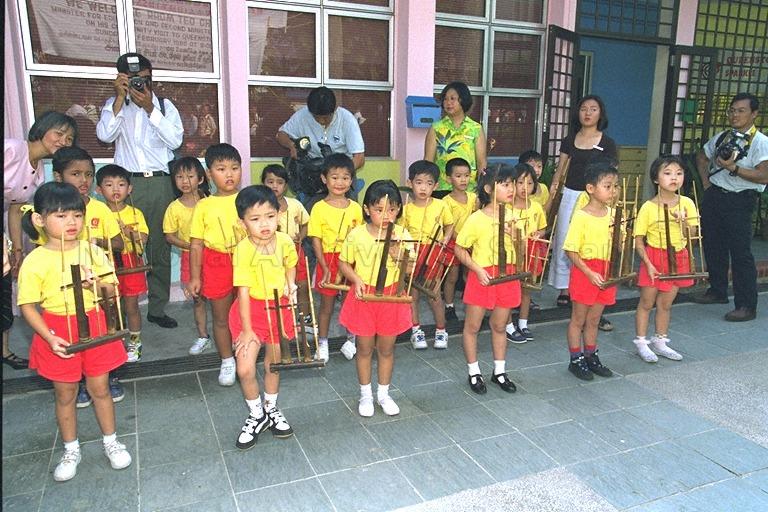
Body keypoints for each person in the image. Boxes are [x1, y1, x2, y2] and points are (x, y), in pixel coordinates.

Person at [18, 182, 132, 482]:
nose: (71, 222)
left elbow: (112, 292)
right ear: (40, 220)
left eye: (77, 215)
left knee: (100, 389)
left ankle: (111, 441)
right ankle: (71, 448)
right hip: (56, 329)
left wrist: (93, 282)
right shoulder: (35, 260)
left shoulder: (92, 252)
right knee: (65, 393)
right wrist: (48, 336)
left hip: (94, 323)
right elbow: (28, 305)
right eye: (61, 216)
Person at [96, 52, 184, 329]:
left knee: (158, 246)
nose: (139, 84)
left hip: (159, 183)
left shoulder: (165, 106)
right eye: (132, 79)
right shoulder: (113, 105)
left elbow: (175, 139)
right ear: (120, 78)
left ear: (151, 77)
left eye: (143, 79)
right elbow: (104, 135)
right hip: (125, 186)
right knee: (122, 247)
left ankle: (157, 308)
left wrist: (150, 110)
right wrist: (120, 100)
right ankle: (122, 307)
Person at [48, 147, 125, 406]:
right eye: (76, 174)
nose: (84, 180)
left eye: (88, 175)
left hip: (99, 284)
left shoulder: (101, 209)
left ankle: (109, 376)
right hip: (65, 288)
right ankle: (79, 382)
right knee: (74, 331)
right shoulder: (49, 209)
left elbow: (119, 244)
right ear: (58, 177)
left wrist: (98, 243)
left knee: (104, 329)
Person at [4, 111, 78, 370]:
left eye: (68, 139)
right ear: (42, 129)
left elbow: (15, 209)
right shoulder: (12, 149)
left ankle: (5, 351)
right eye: (58, 133)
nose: (62, 141)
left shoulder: (39, 172)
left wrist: (18, 250)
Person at [228, 185, 296, 449]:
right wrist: (246, 330)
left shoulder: (286, 241)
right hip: (251, 311)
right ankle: (256, 414)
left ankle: (270, 408)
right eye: (255, 219)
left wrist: (290, 283)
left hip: (279, 308)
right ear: (242, 222)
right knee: (244, 368)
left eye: (269, 216)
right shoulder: (243, 250)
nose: (264, 224)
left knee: (274, 364)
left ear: (278, 214)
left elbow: (290, 264)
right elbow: (242, 292)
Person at [338, 180, 413, 417]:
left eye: (392, 209)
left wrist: (397, 253)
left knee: (387, 349)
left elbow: (410, 269)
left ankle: (383, 393)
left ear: (399, 210)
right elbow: (343, 262)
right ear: (367, 209)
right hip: (365, 296)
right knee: (364, 348)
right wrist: (356, 279)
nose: (386, 215)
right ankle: (365, 395)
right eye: (379, 209)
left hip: (391, 295)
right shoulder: (357, 234)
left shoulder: (402, 234)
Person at [693, 92, 768, 322]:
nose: (735, 114)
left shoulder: (761, 142)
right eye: (732, 110)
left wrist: (734, 168)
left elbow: (764, 175)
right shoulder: (723, 136)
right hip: (716, 195)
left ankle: (746, 305)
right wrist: (706, 183)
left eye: (741, 110)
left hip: (740, 199)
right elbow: (702, 157)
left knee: (740, 253)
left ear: (754, 113)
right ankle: (717, 290)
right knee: (713, 245)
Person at [454, 165, 521, 395]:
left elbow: (524, 249)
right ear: (488, 188)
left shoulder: (513, 215)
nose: (511, 188)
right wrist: (477, 269)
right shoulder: (476, 219)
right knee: (472, 326)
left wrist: (516, 237)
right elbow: (460, 248)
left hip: (507, 274)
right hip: (482, 275)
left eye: (512, 183)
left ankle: (499, 371)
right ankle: (474, 372)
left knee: (500, 325)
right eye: (505, 184)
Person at [547, 96, 618, 312]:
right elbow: (560, 171)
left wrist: (612, 198)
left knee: (593, 241)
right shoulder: (570, 139)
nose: (587, 113)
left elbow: (612, 175)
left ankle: (592, 282)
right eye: (583, 108)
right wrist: (551, 196)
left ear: (600, 114)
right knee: (566, 240)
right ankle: (564, 289)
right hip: (571, 194)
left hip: (596, 197)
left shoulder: (607, 143)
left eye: (593, 109)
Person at [188, 144, 245, 386]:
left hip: (246, 261)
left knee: (245, 314)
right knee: (220, 317)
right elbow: (196, 245)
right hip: (216, 263)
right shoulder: (203, 206)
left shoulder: (248, 199)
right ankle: (227, 360)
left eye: (234, 168)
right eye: (221, 169)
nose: (229, 174)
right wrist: (195, 277)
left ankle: (244, 355)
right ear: (209, 174)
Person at [632, 156, 695, 362]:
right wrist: (648, 263)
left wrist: (684, 222)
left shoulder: (687, 203)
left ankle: (660, 340)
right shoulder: (648, 207)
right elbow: (638, 240)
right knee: (647, 302)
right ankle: (642, 342)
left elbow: (692, 235)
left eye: (679, 173)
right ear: (656, 179)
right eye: (667, 173)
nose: (674, 178)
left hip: (678, 255)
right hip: (655, 255)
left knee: (666, 303)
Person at [562, 160, 620, 381]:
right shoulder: (581, 216)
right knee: (579, 318)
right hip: (586, 271)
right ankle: (575, 359)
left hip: (606, 270)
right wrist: (588, 272)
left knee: (595, 319)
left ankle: (591, 355)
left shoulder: (614, 214)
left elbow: (618, 245)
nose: (613, 191)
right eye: (607, 186)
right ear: (591, 188)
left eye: (616, 186)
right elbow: (570, 250)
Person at [307, 154, 363, 362]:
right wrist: (324, 266)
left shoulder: (356, 208)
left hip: (351, 261)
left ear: (351, 180)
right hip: (328, 261)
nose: (340, 183)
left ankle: (351, 339)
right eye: (335, 177)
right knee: (327, 305)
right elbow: (316, 241)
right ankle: (322, 342)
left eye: (345, 178)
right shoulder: (319, 208)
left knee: (352, 302)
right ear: (324, 179)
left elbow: (360, 239)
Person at [97, 165, 149, 363]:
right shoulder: (98, 211)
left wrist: (126, 231)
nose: (115, 189)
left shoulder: (135, 213)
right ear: (99, 190)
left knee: (131, 305)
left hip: (130, 262)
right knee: (110, 306)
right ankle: (114, 341)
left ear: (130, 189)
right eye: (109, 185)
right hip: (105, 264)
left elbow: (143, 238)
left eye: (121, 184)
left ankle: (135, 341)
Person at [399, 161, 454, 350]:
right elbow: (401, 232)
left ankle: (441, 330)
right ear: (410, 183)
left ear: (436, 186)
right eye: (419, 182)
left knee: (434, 293)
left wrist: (445, 239)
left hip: (434, 251)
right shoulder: (405, 208)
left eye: (429, 183)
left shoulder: (441, 205)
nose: (423, 187)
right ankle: (416, 330)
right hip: (413, 252)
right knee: (412, 294)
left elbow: (450, 225)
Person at [163, 157, 211, 355]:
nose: (185, 181)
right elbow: (169, 236)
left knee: (221, 298)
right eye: (179, 177)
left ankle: (231, 333)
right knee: (198, 299)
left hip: (213, 257)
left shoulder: (209, 203)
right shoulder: (174, 207)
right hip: (189, 258)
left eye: (190, 176)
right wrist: (190, 246)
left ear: (200, 179)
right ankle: (202, 336)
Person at [261, 164, 312, 333]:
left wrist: (302, 236)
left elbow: (306, 223)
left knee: (302, 284)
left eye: (280, 182)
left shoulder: (295, 204)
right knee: (279, 287)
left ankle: (304, 317)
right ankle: (282, 320)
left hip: (296, 250)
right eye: (270, 182)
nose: (275, 186)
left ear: (286, 185)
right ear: (263, 184)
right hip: (272, 254)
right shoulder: (261, 207)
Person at [505, 164, 547, 343]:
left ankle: (523, 322)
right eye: (519, 182)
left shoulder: (536, 207)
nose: (524, 187)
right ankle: (508, 326)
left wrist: (539, 234)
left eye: (529, 183)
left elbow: (543, 228)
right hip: (511, 252)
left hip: (531, 251)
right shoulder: (506, 207)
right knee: (508, 289)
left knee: (526, 289)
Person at [276, 86, 365, 171]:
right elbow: (281, 135)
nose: (321, 121)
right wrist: (291, 145)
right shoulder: (302, 115)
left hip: (342, 167)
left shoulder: (347, 119)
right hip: (312, 169)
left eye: (326, 117)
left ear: (335, 109)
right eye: (317, 117)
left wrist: (341, 175)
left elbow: (359, 157)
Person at [424, 81, 488, 194]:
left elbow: (481, 163)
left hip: (468, 189)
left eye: (452, 99)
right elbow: (428, 161)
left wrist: (481, 190)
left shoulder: (475, 128)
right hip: (442, 188)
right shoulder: (436, 128)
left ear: (463, 100)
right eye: (445, 99)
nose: (448, 103)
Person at [442, 158, 477, 321]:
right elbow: (448, 226)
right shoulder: (445, 202)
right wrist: (463, 241)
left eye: (467, 175)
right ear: (449, 178)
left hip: (471, 244)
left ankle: (472, 304)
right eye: (458, 176)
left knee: (469, 274)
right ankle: (449, 305)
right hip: (453, 243)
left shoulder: (474, 198)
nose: (463, 179)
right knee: (452, 276)